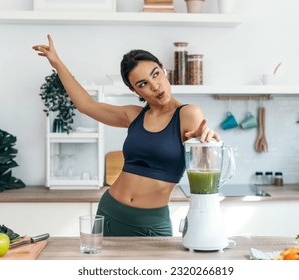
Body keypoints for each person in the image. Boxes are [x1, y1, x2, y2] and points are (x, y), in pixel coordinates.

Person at [32, 34, 220, 236]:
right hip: (110, 213)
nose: (155, 86)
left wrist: (205, 146)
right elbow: (86, 105)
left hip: (151, 224)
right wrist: (57, 63)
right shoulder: (134, 115)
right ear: (135, 91)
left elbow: (206, 180)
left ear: (164, 71)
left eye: (156, 74)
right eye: (143, 84)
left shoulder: (188, 114)